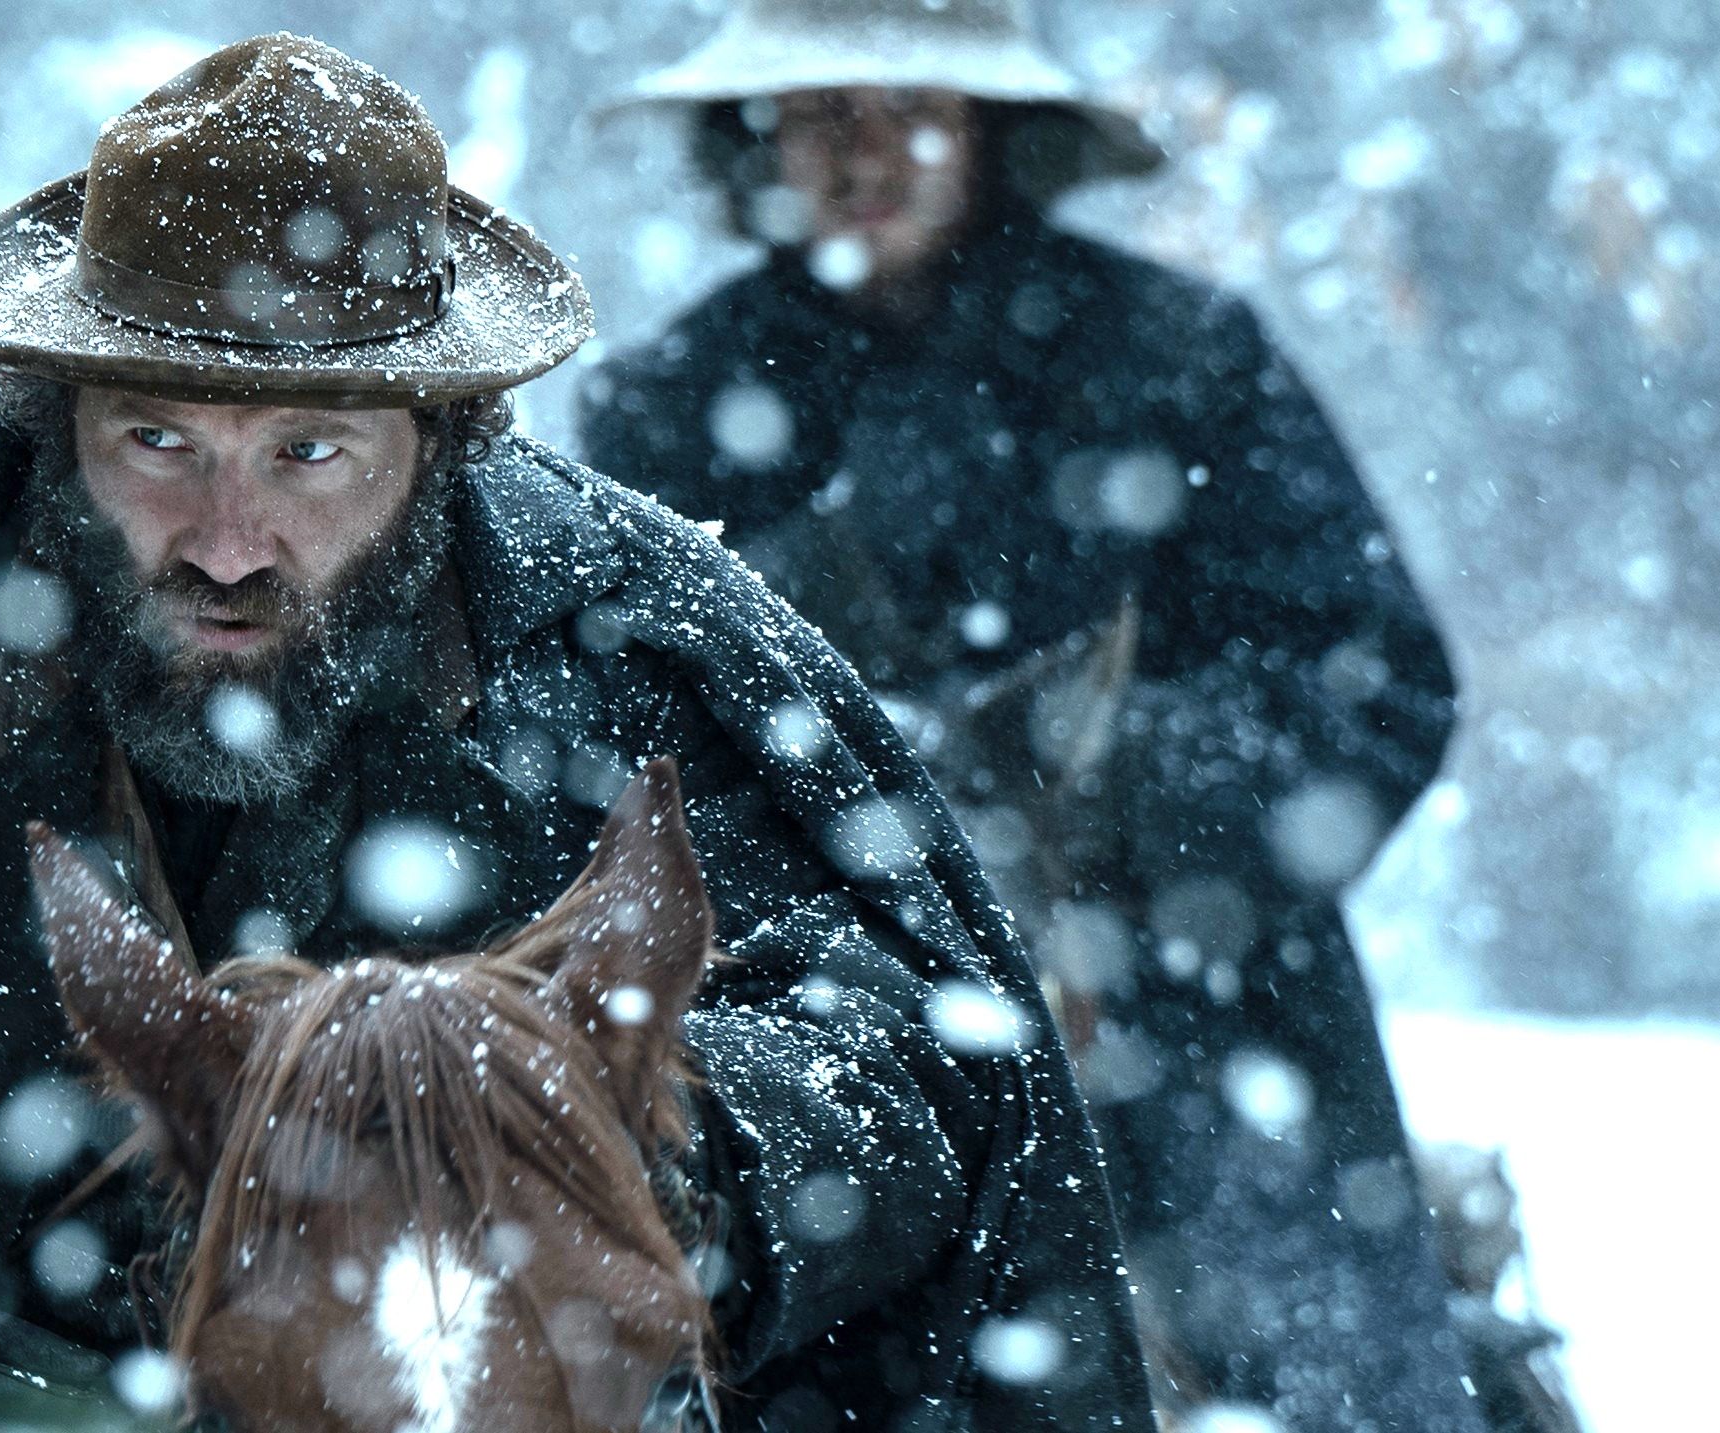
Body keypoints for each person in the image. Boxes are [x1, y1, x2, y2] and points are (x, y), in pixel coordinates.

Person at [0, 34, 1155, 1430]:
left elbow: (938, 1063)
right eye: (156, 440)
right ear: (52, 422)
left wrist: (617, 1158)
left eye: (307, 455)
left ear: (439, 439)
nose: (223, 535)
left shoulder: (644, 653)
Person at [577, 3, 1490, 1429]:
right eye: (818, 112)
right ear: (752, 137)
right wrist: (860, 835)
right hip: (831, 1044)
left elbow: (1367, 679)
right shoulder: (670, 407)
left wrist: (1107, 792)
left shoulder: (1177, 356)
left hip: (1201, 1024)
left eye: (902, 107)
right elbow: (618, 756)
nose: (857, 152)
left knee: (1324, 1388)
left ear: (992, 126)